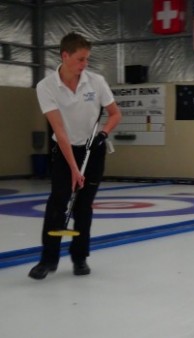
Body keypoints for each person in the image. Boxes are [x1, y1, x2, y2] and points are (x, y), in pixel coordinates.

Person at [28, 32, 122, 280]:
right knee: (58, 201)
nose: (84, 65)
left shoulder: (96, 82)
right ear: (65, 56)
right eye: (81, 59)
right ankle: (48, 260)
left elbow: (114, 114)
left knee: (84, 205)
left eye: (87, 59)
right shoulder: (46, 87)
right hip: (64, 149)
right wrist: (73, 168)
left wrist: (103, 133)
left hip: (94, 148)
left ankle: (80, 259)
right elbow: (60, 130)